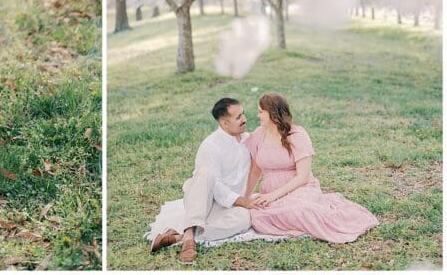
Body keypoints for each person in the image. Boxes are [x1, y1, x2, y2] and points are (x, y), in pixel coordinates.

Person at [245, 94, 378, 242]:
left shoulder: (296, 134)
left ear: (273, 113)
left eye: (260, 111)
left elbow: (303, 176)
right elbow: (255, 172)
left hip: (300, 188)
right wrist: (245, 198)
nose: (258, 115)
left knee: (302, 210)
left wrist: (274, 195)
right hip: (271, 190)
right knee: (260, 216)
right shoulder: (258, 135)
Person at [150, 97, 263, 264]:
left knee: (245, 219)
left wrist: (242, 201)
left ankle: (180, 237)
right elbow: (214, 185)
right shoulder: (211, 145)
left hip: (228, 206)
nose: (245, 119)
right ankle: (189, 239)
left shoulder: (248, 140)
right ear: (225, 123)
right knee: (205, 173)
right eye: (238, 117)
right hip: (203, 200)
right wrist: (240, 200)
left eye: (243, 114)